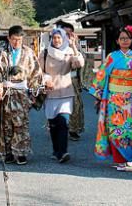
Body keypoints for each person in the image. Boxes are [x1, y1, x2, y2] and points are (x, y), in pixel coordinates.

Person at [89, 25, 132, 171]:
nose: (125, 41)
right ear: (117, 41)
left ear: (131, 40)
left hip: (131, 100)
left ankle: (129, 157)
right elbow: (101, 77)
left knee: (130, 129)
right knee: (115, 129)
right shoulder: (111, 57)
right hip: (114, 99)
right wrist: (99, 96)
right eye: (122, 38)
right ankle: (119, 159)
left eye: (127, 38)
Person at [0, 25, 42, 165]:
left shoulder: (29, 53)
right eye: (13, 39)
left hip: (21, 92)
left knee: (21, 123)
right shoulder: (2, 52)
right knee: (5, 124)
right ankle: (7, 152)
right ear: (8, 38)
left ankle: (21, 152)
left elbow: (35, 73)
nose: (16, 42)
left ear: (22, 39)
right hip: (5, 91)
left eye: (19, 40)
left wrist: (34, 90)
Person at [40, 27, 85, 163]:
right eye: (54, 38)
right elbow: (37, 71)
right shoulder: (46, 53)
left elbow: (79, 64)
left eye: (59, 37)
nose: (57, 40)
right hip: (50, 92)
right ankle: (56, 150)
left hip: (65, 92)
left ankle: (63, 152)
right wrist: (45, 79)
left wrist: (73, 47)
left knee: (63, 122)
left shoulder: (69, 52)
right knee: (53, 124)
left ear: (64, 38)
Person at [57, 21, 85, 141]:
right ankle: (58, 128)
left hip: (72, 80)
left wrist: (73, 46)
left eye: (69, 34)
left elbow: (81, 64)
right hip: (58, 81)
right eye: (64, 33)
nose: (67, 36)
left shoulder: (76, 48)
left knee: (75, 105)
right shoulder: (54, 48)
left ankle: (73, 129)